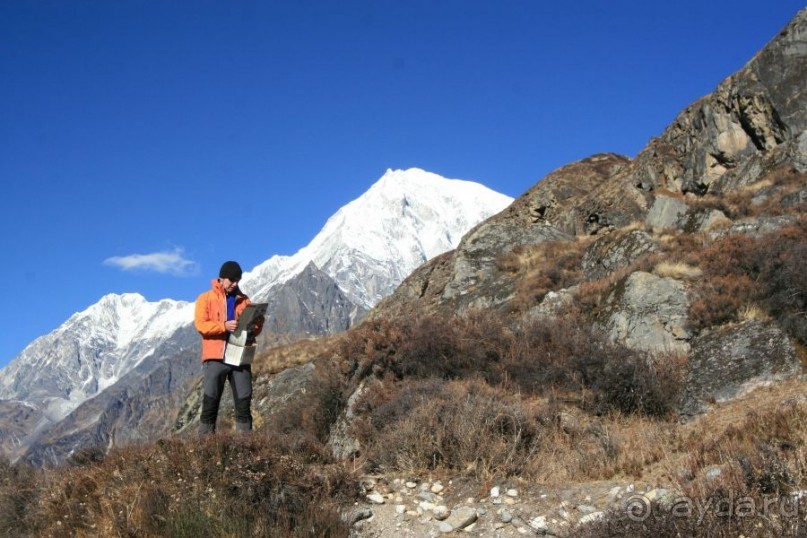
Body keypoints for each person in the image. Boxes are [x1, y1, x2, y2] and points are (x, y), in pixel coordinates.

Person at [194, 260, 263, 434]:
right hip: (215, 358)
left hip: (240, 356)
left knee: (244, 402)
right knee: (210, 402)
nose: (235, 284)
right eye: (232, 280)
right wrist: (223, 326)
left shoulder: (245, 301)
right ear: (222, 278)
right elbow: (201, 325)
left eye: (238, 280)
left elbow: (254, 330)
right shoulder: (205, 299)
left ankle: (245, 444)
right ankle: (205, 445)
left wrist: (257, 322)